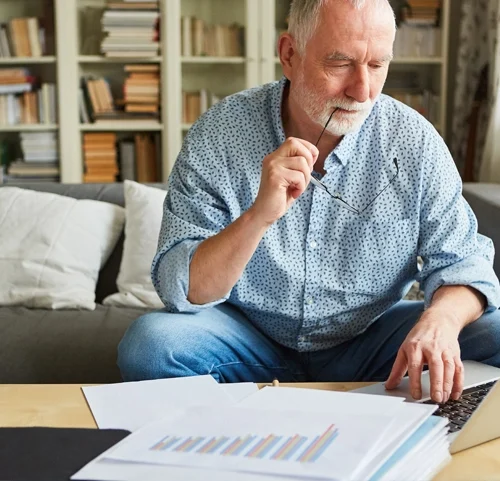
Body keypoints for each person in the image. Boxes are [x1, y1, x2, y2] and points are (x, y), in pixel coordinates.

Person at [118, 0, 500, 404]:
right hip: (247, 341)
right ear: (289, 54)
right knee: (150, 346)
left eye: (376, 66)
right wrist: (257, 218)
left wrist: (439, 320)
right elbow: (182, 291)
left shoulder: (414, 142)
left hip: (371, 343)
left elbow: (464, 265)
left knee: (492, 331)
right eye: (340, 63)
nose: (362, 90)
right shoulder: (220, 133)